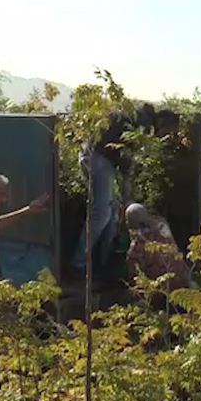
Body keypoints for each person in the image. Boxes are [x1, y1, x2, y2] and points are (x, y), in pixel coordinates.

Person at [70, 103, 164, 276]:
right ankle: (79, 264)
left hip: (92, 155)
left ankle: (103, 262)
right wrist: (128, 196)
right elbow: (125, 163)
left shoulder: (129, 116)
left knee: (112, 212)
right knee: (102, 213)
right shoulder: (138, 124)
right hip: (97, 158)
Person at [125, 203, 192, 292]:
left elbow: (135, 277)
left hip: (162, 289)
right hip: (184, 280)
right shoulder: (162, 223)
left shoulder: (138, 245)